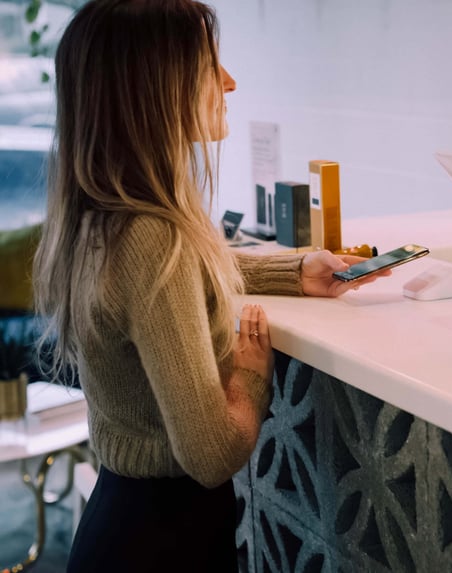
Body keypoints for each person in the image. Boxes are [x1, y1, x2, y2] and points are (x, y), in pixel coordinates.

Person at [31, 1, 388, 571]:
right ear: (156, 86)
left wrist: (295, 273)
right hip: (162, 542)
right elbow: (211, 452)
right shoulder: (152, 238)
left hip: (123, 525)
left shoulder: (107, 218)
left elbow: (185, 272)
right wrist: (251, 372)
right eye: (210, 66)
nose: (230, 82)